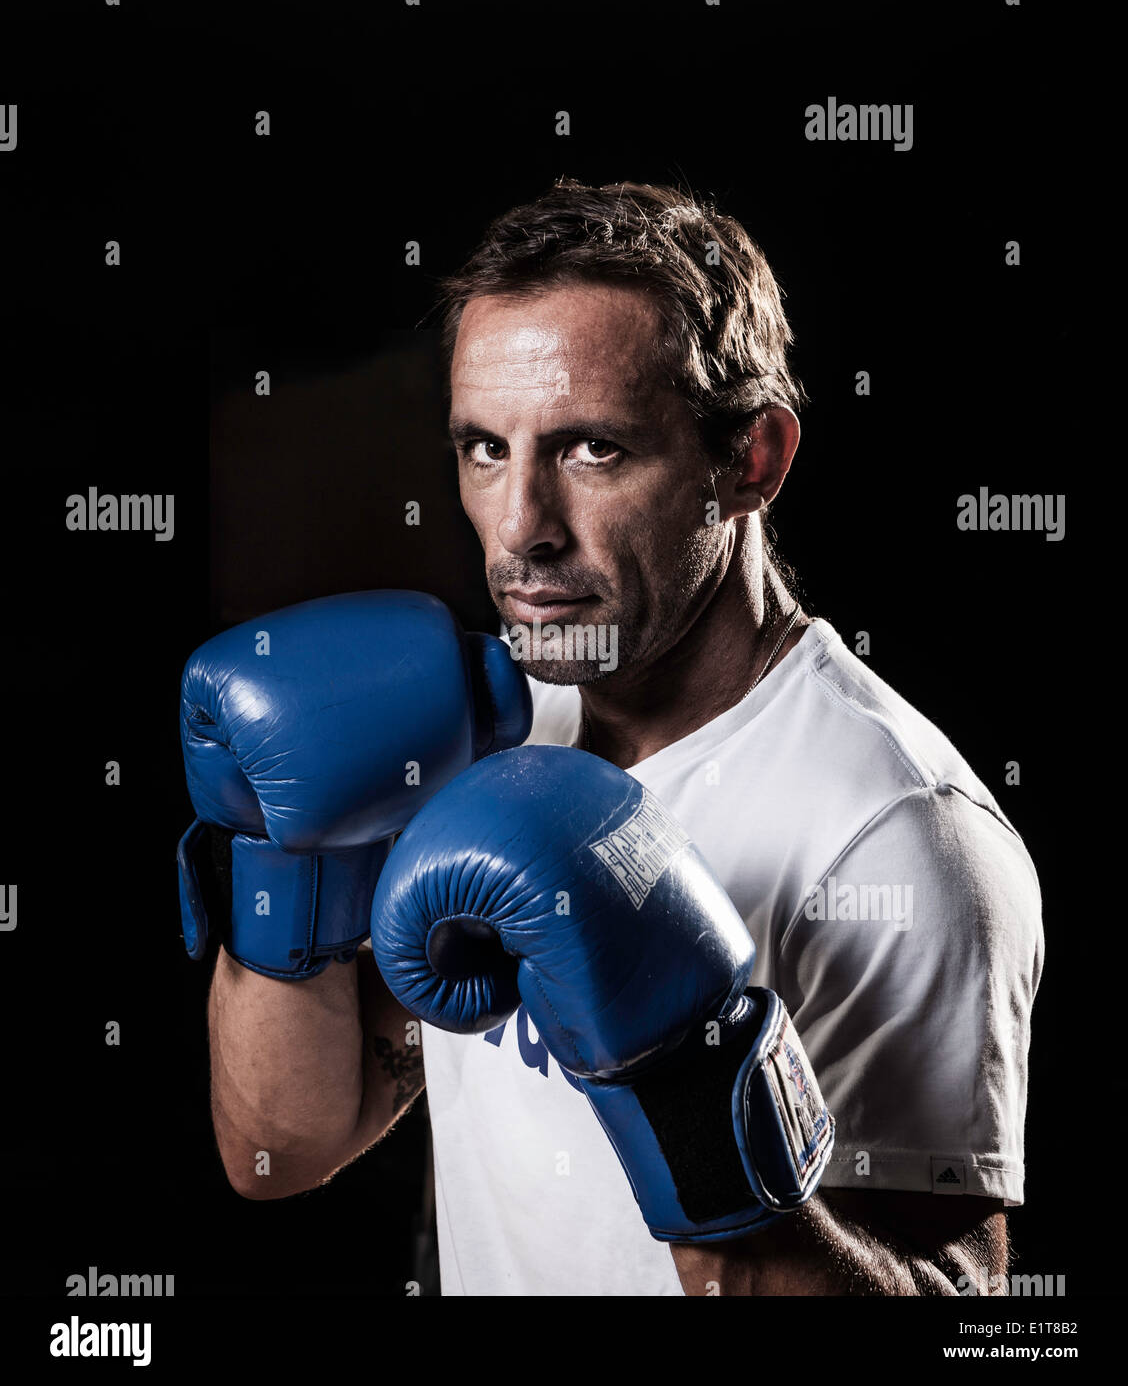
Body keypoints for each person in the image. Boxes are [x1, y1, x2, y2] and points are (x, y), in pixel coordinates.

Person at [196, 179, 1043, 1297]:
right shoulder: (478, 729)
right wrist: (280, 859)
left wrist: (693, 1098)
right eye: (485, 449)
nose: (520, 529)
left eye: (592, 450)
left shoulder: (893, 832)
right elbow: (281, 1150)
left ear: (752, 460)